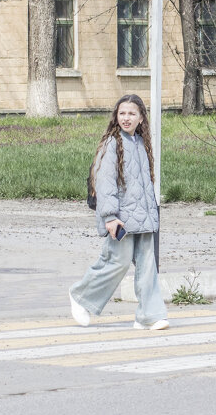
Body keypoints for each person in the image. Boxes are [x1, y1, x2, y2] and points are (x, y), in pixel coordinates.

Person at [69, 94, 169, 330]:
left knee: (148, 267)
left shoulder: (142, 144)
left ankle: (149, 316)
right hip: (121, 219)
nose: (126, 118)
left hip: (144, 219)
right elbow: (104, 183)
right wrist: (110, 217)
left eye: (132, 113)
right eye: (122, 113)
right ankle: (80, 296)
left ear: (141, 118)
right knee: (117, 262)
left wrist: (151, 216)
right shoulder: (111, 144)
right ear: (116, 116)